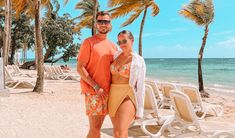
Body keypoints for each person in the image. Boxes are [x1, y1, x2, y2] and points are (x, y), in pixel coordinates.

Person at [77, 11, 117, 138]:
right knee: (94, 128)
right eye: (100, 21)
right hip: (93, 91)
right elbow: (80, 68)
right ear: (96, 24)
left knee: (98, 128)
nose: (103, 24)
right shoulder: (88, 42)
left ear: (110, 25)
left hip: (108, 93)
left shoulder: (113, 47)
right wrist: (96, 87)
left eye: (106, 21)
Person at [108, 30, 146, 138]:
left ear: (132, 40)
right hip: (113, 95)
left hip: (127, 95)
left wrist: (140, 109)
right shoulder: (115, 56)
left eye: (124, 41)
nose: (122, 44)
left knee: (121, 131)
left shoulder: (138, 61)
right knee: (117, 133)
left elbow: (141, 86)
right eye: (119, 42)